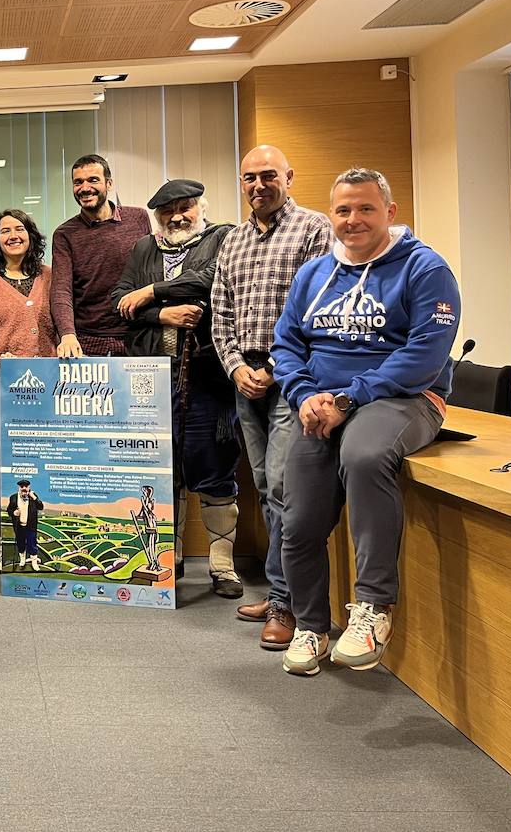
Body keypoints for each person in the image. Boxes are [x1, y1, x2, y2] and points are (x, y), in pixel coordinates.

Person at [273, 168, 460, 677]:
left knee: (363, 454)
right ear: (330, 215)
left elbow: (423, 356)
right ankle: (311, 626)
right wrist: (306, 394)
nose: (352, 220)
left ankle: (374, 607)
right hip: (324, 405)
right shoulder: (313, 274)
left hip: (404, 400)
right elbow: (286, 344)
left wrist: (348, 398)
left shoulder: (425, 270)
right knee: (299, 515)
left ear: (390, 212)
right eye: (343, 210)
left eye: (365, 209)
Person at [211, 145, 331, 649]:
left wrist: (275, 368)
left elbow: (322, 308)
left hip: (293, 379)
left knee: (284, 489)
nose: (258, 185)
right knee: (264, 488)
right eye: (248, 178)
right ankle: (281, 591)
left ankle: (286, 605)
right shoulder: (234, 240)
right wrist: (237, 368)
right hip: (246, 382)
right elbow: (221, 314)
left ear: (288, 176)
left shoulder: (313, 229)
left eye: (267, 176)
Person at [110, 179, 241, 597]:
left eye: (184, 207)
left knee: (213, 464)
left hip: (207, 377)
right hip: (151, 378)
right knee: (163, 469)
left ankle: (222, 567)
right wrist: (162, 314)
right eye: (167, 212)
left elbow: (209, 279)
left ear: (201, 207)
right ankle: (172, 559)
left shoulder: (223, 237)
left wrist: (152, 292)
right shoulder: (144, 249)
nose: (176, 217)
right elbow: (120, 300)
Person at [0, 207, 56, 571]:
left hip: (45, 384)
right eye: (5, 231)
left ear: (31, 235)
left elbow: (64, 318)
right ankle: (6, 543)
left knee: (46, 460)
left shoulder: (50, 276)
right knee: (7, 462)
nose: (13, 235)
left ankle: (40, 542)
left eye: (20, 229)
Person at [51, 153, 151, 358]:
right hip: (89, 342)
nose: (85, 188)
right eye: (78, 182)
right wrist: (67, 334)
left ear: (109, 183)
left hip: (139, 335)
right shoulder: (64, 234)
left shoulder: (138, 218)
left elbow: (151, 270)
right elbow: (61, 290)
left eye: (93, 180)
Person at [6, 479, 44, 571]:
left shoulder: (33, 497)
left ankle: (34, 563)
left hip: (30, 526)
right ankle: (22, 561)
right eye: (22, 486)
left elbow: (41, 507)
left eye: (26, 486)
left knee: (32, 544)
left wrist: (34, 497)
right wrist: (14, 513)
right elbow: (9, 510)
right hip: (19, 526)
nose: (24, 488)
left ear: (29, 487)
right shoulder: (13, 497)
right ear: (19, 487)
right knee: (21, 544)